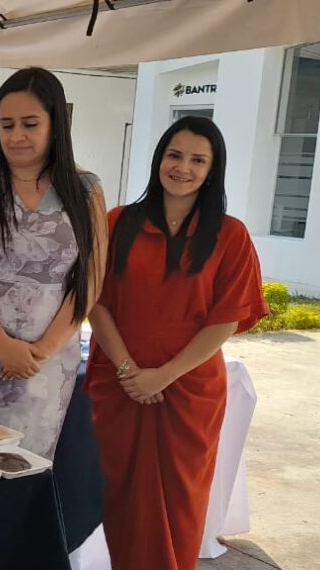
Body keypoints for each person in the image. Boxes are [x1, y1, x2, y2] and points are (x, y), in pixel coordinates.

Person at [87, 116, 268, 569]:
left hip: (189, 392)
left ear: (212, 170)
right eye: (175, 155)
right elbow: (95, 301)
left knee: (181, 505)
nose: (183, 168)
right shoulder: (118, 222)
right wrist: (130, 372)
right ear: (159, 159)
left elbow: (226, 319)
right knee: (121, 500)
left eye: (197, 160)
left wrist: (163, 376)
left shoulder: (230, 235)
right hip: (120, 387)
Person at [0, 67, 108, 459]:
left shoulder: (86, 190)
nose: (16, 136)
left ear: (56, 126)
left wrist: (43, 349)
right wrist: (2, 344)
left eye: (30, 124)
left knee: (22, 467)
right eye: (6, 125)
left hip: (45, 365)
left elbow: (91, 277)